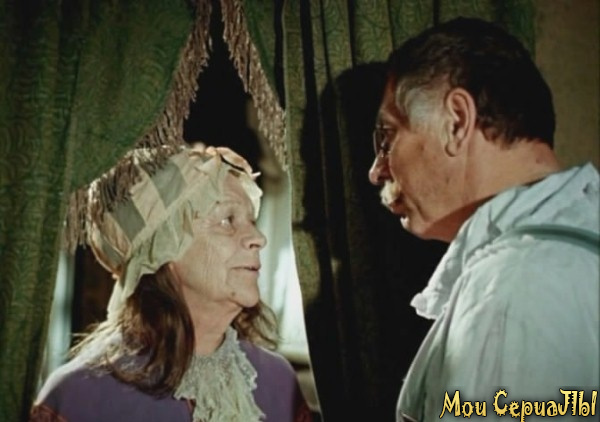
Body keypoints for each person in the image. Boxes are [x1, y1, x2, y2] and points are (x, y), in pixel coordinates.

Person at [368, 17, 599, 421]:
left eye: (386, 138)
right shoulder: (575, 244)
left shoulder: (515, 286)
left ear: (457, 122)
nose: (376, 171)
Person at [31, 144, 312, 422]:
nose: (258, 239)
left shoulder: (279, 383)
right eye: (228, 220)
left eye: (251, 220)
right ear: (164, 249)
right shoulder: (79, 397)